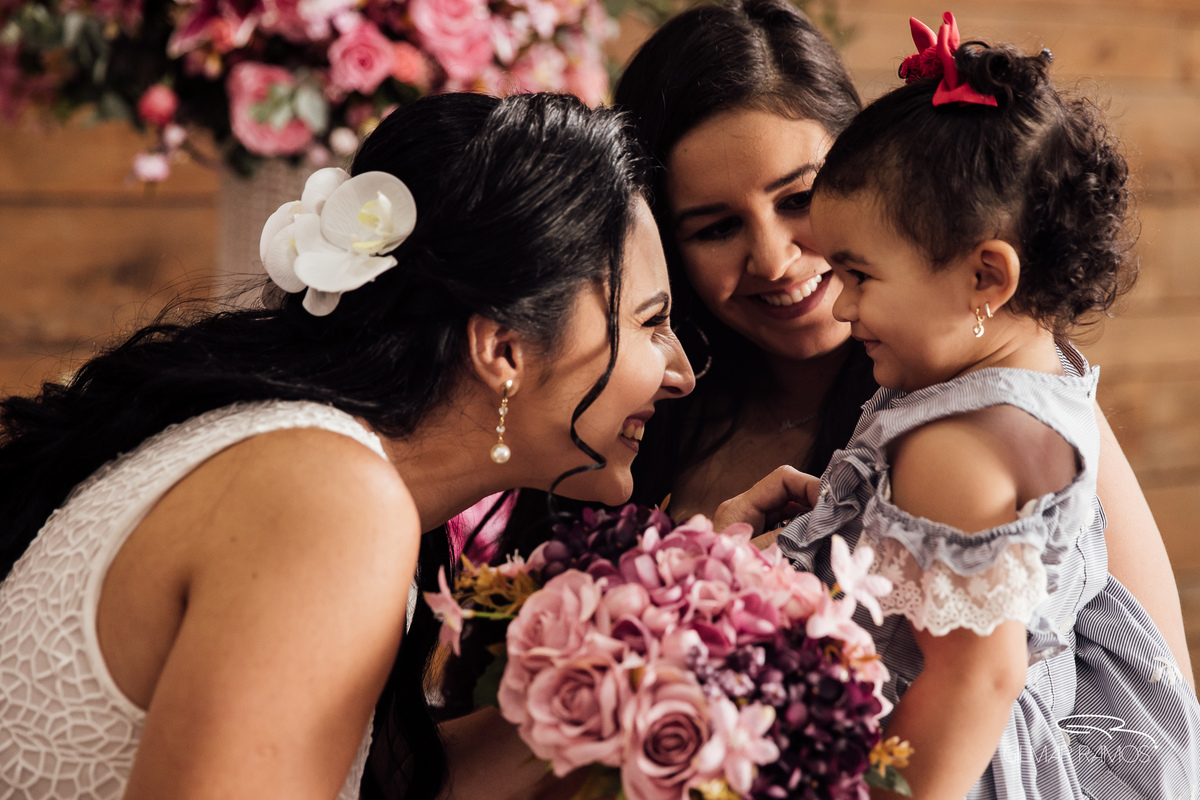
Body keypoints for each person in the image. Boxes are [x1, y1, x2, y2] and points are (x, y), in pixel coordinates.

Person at [0, 92, 694, 800]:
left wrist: (655, 641)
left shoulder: (310, 457)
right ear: (504, 348)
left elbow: (395, 787)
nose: (682, 373)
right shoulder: (328, 500)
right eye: (650, 322)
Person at [613, 0, 1195, 689]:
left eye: (799, 198)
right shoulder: (649, 413)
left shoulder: (1011, 407)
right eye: (715, 228)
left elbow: (1155, 701)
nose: (773, 260)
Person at [774, 14, 1200, 797]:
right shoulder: (1039, 389)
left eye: (858, 275)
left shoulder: (954, 444)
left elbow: (974, 680)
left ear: (985, 279)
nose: (839, 308)